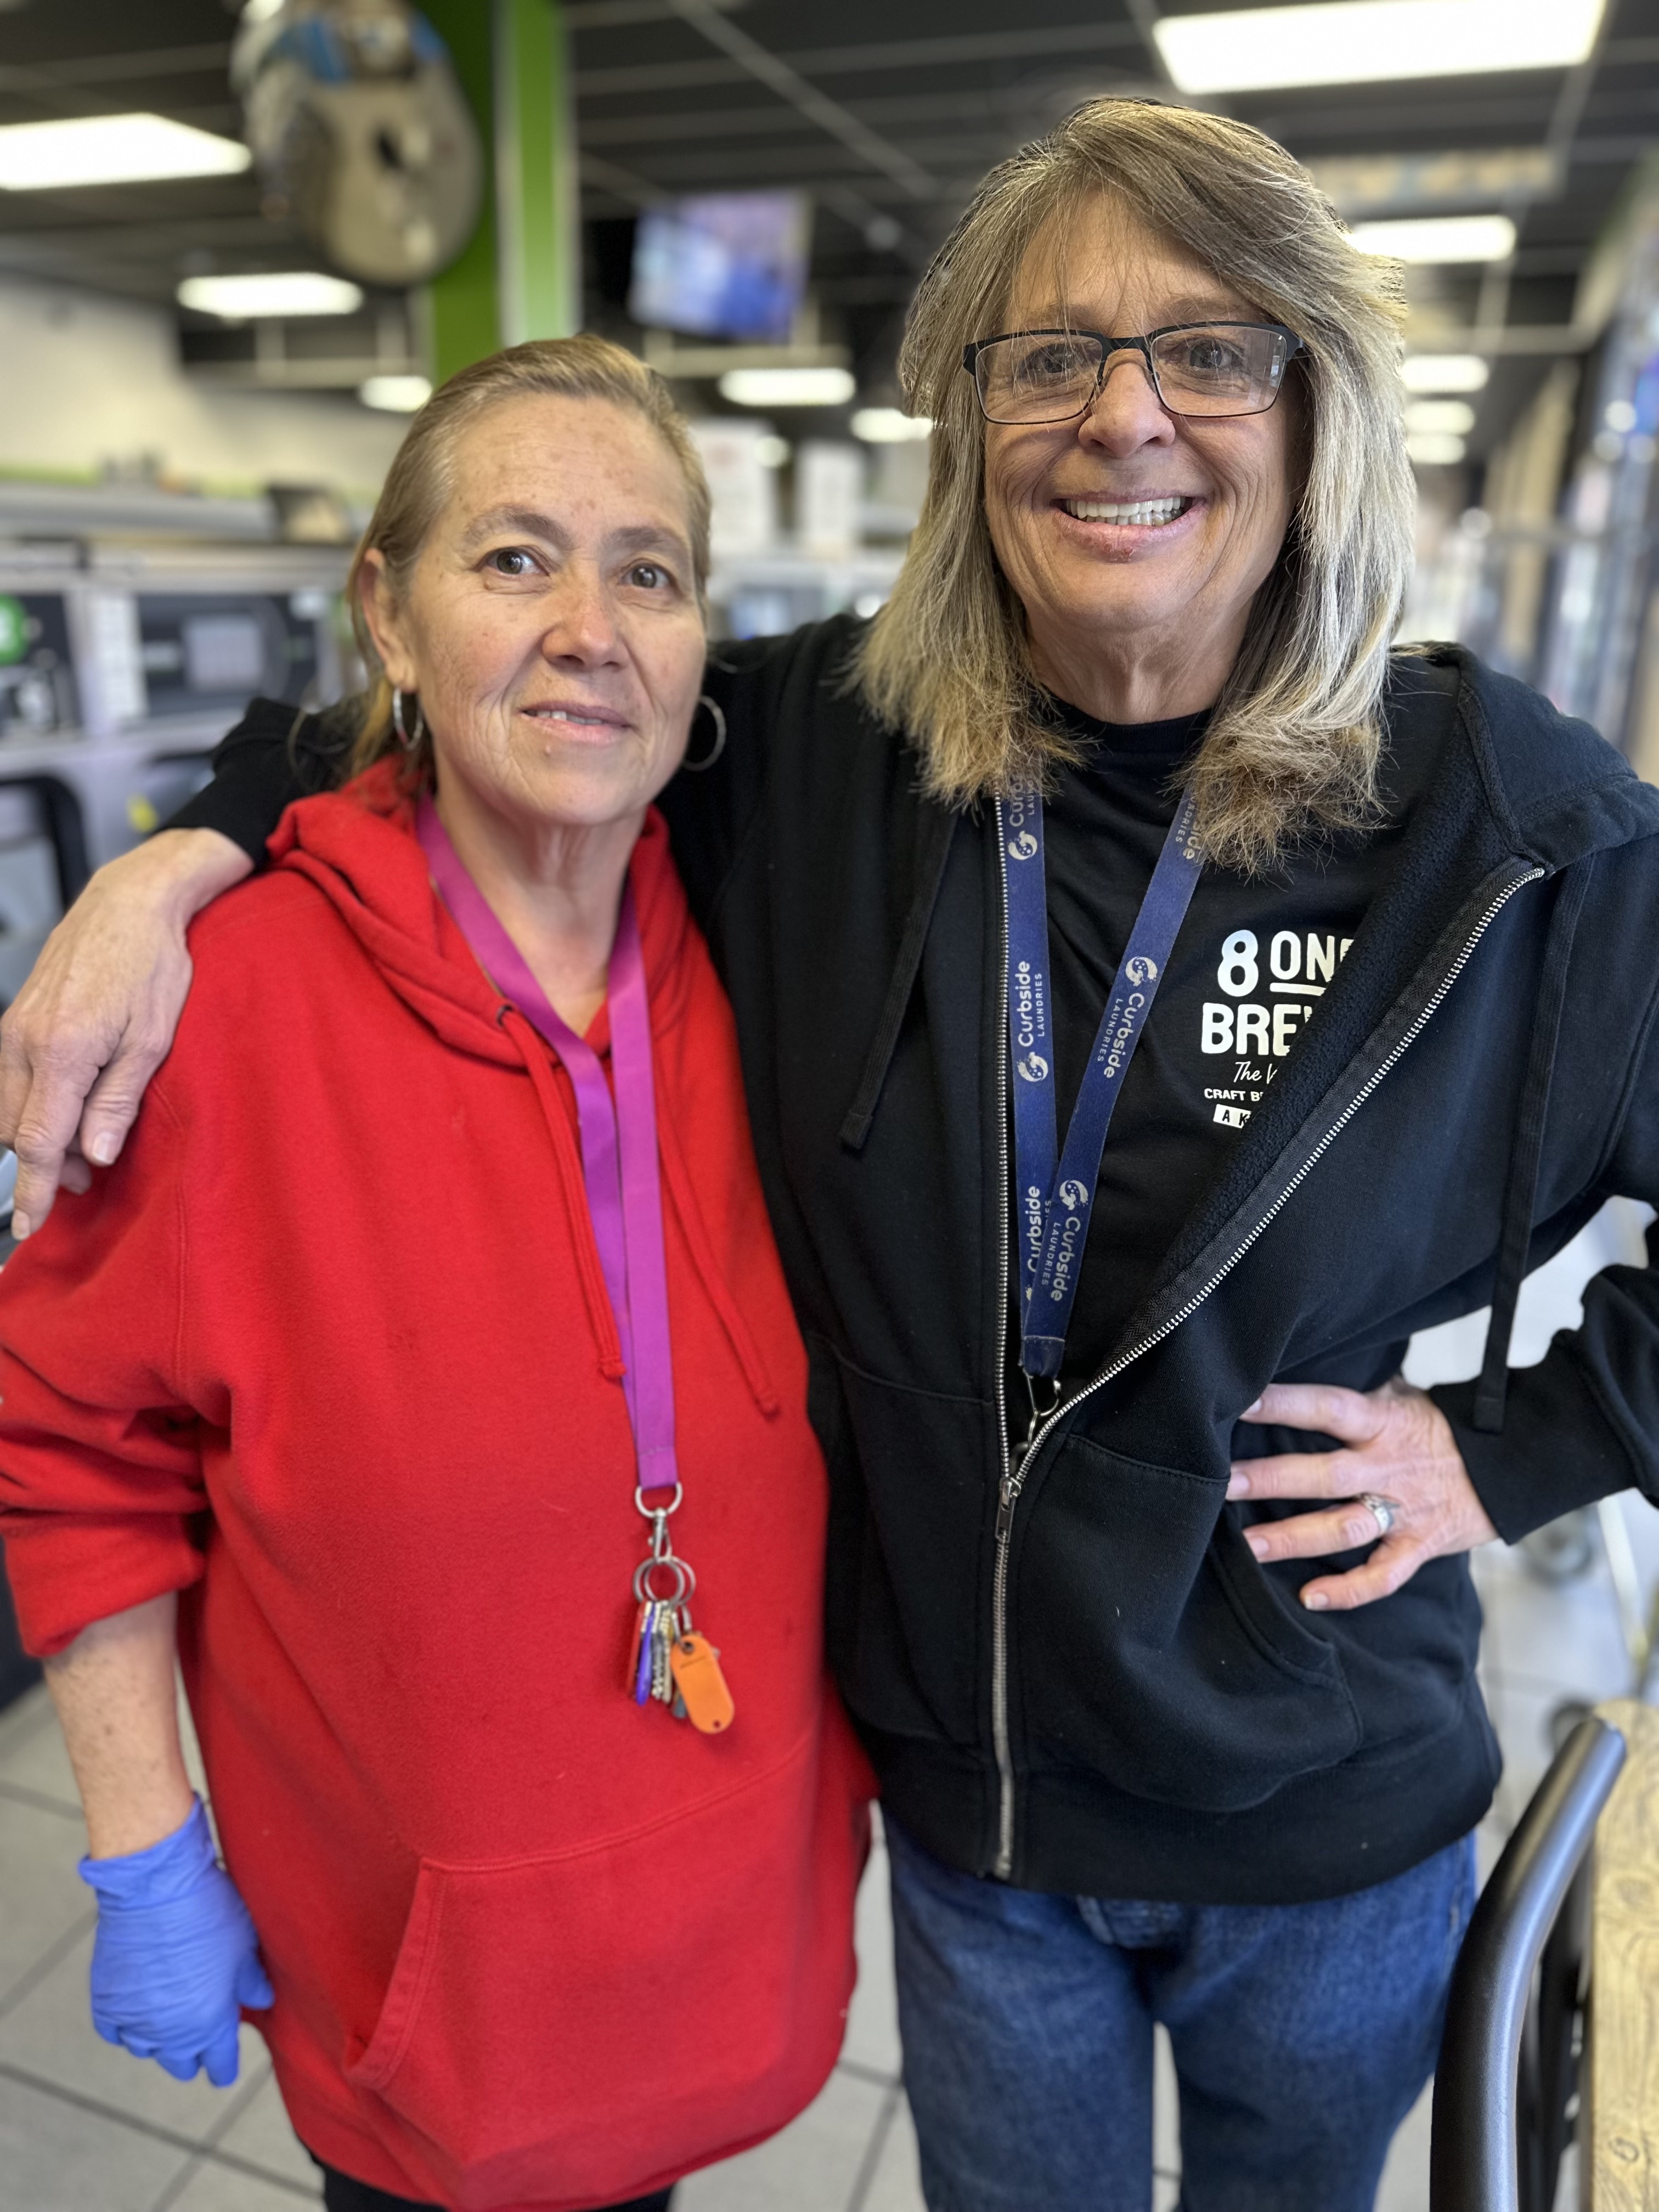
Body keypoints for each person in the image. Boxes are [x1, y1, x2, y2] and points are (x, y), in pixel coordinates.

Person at [6, 97, 1659, 2212]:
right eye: (1048, 355)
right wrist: (183, 861)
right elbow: (511, 687)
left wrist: (1512, 1450)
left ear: (1315, 409)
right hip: (979, 1845)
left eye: (1211, 350)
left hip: (1324, 1824)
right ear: (971, 427)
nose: (1123, 417)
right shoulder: (827, 753)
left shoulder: (1496, 825)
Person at [0, 336, 870, 2212]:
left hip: (719, 1942)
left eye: (649, 570)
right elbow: (69, 1445)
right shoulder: (223, 1018)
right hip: (433, 2024)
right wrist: (146, 1851)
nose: (590, 624)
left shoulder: (758, 949)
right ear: (383, 615)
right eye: (514, 558)